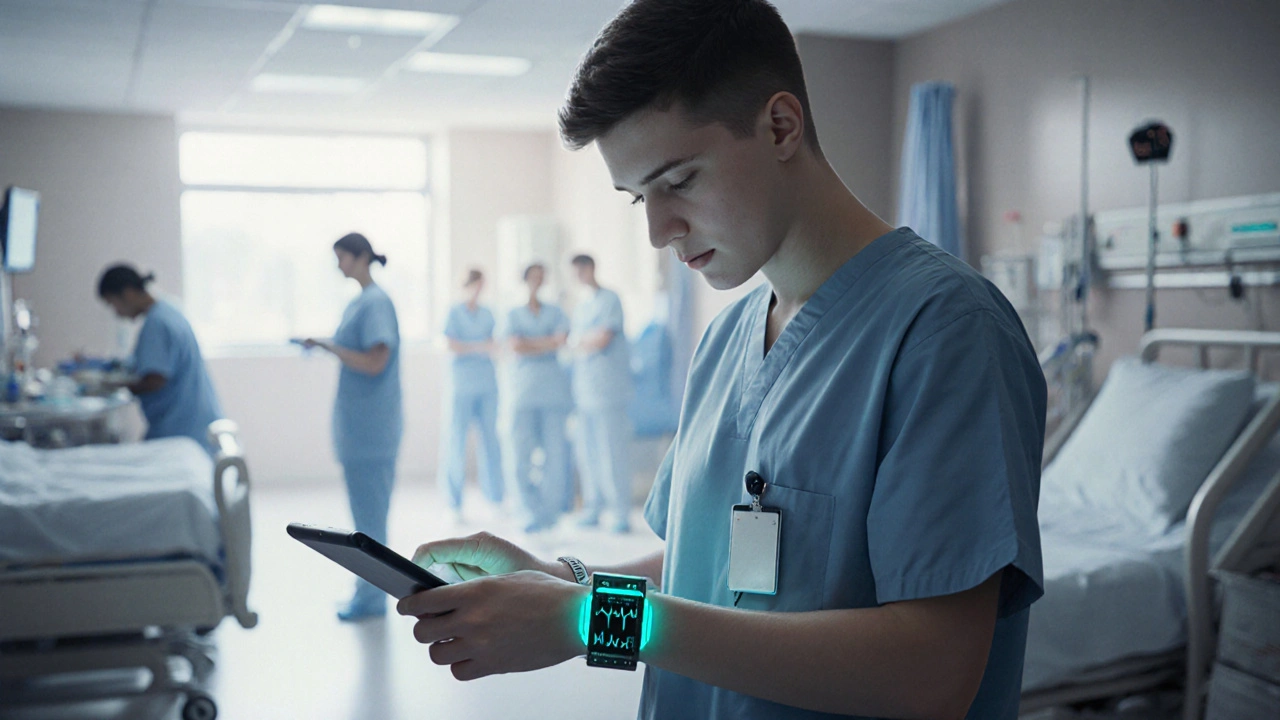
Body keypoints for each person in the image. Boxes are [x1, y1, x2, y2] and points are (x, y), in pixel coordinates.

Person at [396, 1, 1046, 718]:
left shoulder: (943, 333)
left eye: (678, 182)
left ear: (779, 127)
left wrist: (581, 620)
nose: (657, 230)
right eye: (638, 196)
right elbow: (702, 580)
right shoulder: (727, 340)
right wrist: (564, 588)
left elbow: (931, 674)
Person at [301, 232, 403, 621]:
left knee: (370, 520)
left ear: (360, 257)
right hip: (362, 428)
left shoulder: (376, 303)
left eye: (341, 257)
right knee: (366, 515)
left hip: (371, 431)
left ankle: (373, 596)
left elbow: (375, 361)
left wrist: (329, 347)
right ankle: (369, 591)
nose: (338, 265)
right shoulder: (362, 302)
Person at [96, 264, 223, 454]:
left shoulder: (157, 323)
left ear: (128, 293)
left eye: (113, 304)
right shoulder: (168, 311)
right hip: (194, 422)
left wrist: (113, 386)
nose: (116, 313)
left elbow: (155, 380)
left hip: (180, 429)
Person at [504, 263, 573, 532]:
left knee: (555, 454)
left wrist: (531, 343)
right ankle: (527, 510)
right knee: (520, 454)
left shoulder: (555, 311)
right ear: (524, 280)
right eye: (533, 277)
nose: (537, 281)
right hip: (523, 393)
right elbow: (515, 345)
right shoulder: (513, 313)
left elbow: (561, 340)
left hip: (553, 393)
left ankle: (548, 513)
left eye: (541, 277)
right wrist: (547, 342)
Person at [567, 254, 634, 533]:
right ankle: (593, 507)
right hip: (585, 391)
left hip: (609, 391)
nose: (578, 275)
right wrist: (582, 341)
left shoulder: (610, 300)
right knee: (588, 453)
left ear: (592, 267)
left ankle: (619, 512)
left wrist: (578, 341)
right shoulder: (582, 306)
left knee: (611, 452)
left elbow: (602, 338)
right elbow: (578, 342)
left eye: (581, 269)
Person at [439, 269, 504, 522]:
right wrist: (480, 347)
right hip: (461, 386)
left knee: (490, 441)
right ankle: (453, 504)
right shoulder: (454, 312)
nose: (477, 290)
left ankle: (494, 498)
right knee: (455, 443)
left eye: (480, 285)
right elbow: (451, 345)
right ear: (465, 286)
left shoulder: (488, 313)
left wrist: (471, 347)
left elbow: (495, 345)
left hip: (487, 385)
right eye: (473, 285)